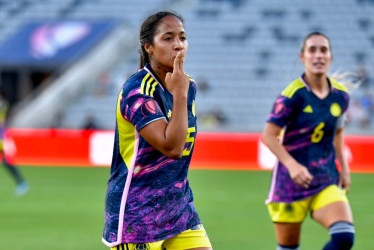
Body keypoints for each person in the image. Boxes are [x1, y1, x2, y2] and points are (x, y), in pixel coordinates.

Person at [102, 11, 212, 250]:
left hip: (178, 207)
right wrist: (180, 94)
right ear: (148, 47)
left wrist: (182, 92)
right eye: (168, 38)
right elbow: (173, 148)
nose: (178, 46)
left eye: (182, 38)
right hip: (137, 213)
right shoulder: (137, 91)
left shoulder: (187, 85)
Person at [263, 32, 355, 250]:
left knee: (344, 237)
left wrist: (344, 168)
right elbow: (268, 135)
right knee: (288, 247)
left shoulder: (341, 96)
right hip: (290, 184)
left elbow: (338, 132)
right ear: (302, 57)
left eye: (323, 50)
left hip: (325, 179)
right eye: (312, 50)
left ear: (331, 56)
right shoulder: (292, 95)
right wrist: (293, 165)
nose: (318, 55)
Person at [0, 91, 29, 196]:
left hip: (2, 136)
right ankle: (21, 183)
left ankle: (22, 183)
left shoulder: (3, 104)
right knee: (5, 161)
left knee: (6, 161)